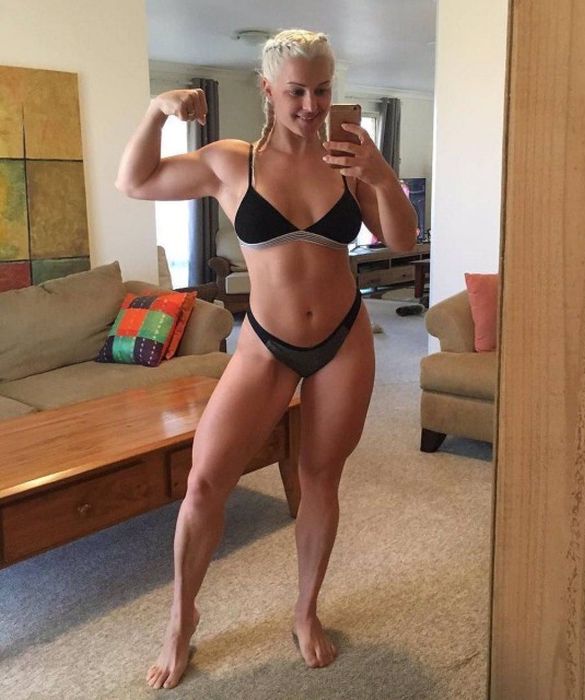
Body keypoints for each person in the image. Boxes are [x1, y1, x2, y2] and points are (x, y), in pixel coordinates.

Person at [115, 28, 417, 690]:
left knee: (319, 478)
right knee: (204, 482)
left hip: (343, 339)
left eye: (322, 90)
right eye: (296, 91)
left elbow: (402, 238)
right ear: (268, 90)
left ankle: (305, 611)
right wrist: (157, 111)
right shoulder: (231, 163)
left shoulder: (349, 160)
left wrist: (381, 175)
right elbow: (134, 182)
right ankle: (181, 618)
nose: (311, 105)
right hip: (265, 343)